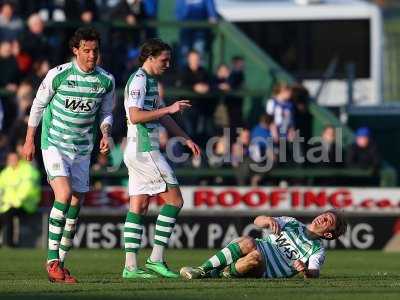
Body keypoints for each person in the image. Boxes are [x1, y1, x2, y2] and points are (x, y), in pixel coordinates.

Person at [22, 27, 115, 284]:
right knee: (63, 195)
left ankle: (61, 264)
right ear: (76, 50)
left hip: (82, 150)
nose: (91, 55)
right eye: (86, 51)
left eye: (95, 50)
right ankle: (52, 261)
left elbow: (106, 113)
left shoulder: (106, 80)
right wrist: (29, 140)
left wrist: (106, 134)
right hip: (53, 143)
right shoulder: (59, 75)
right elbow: (38, 105)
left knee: (75, 205)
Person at [122, 38, 201, 279]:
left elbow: (164, 117)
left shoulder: (151, 82)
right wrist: (168, 109)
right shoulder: (139, 81)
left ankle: (131, 267)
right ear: (150, 58)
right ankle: (156, 259)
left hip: (138, 151)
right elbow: (135, 116)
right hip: (145, 151)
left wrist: (185, 138)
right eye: (164, 60)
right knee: (175, 201)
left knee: (139, 206)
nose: (168, 64)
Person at [180, 210, 347, 279]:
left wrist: (304, 269)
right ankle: (202, 270)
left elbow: (314, 272)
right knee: (248, 241)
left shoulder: (317, 250)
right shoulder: (292, 223)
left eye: (328, 220)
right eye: (325, 214)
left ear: (328, 234)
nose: (322, 217)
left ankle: (218, 273)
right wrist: (267, 219)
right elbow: (257, 221)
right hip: (255, 247)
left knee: (255, 256)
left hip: (264, 268)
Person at [0, 148, 41, 247]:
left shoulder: (26, 170)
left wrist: (13, 202)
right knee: (7, 214)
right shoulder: (5, 173)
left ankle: (10, 244)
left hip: (26, 204)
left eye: (14, 159)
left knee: (9, 215)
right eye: (10, 159)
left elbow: (26, 190)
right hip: (7, 205)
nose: (12, 161)